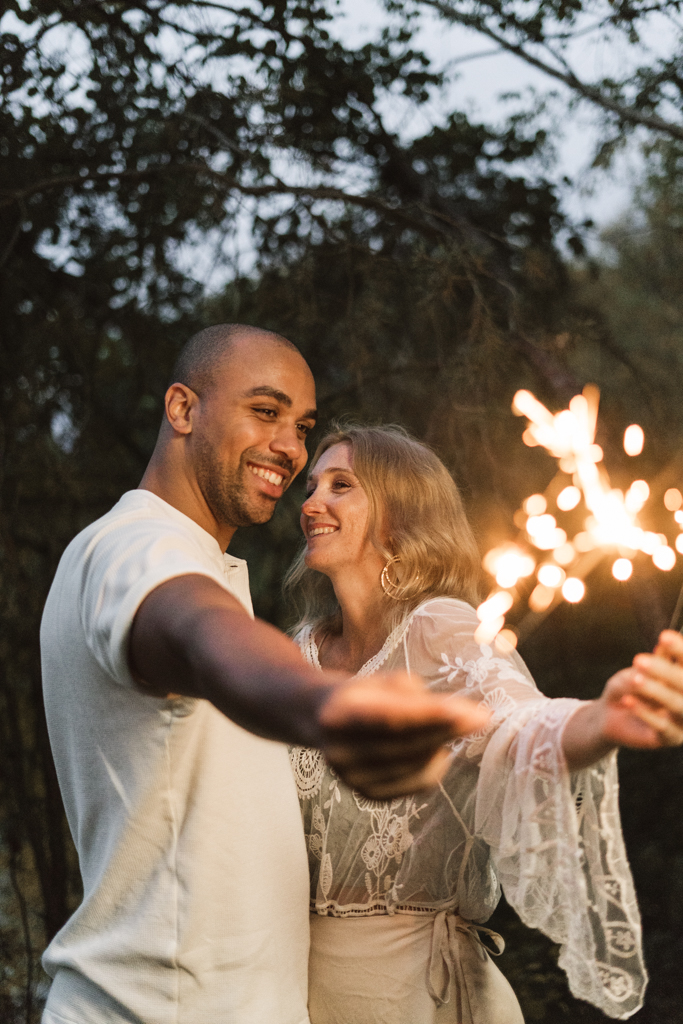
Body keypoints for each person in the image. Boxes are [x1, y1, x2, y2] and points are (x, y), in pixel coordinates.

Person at [39, 326, 488, 1024]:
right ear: (183, 410)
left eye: (301, 424)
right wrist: (328, 707)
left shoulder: (200, 562)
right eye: (266, 410)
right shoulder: (133, 548)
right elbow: (203, 637)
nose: (290, 446)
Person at [287, 423, 683, 1023]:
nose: (311, 502)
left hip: (415, 997)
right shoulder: (297, 655)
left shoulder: (439, 628)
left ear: (400, 512)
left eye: (341, 485)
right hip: (291, 995)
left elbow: (516, 723)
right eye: (312, 486)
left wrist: (600, 721)